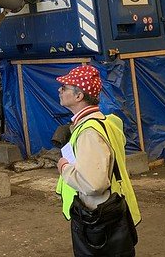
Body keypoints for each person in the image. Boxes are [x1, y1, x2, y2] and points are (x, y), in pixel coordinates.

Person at [54, 64, 140, 257]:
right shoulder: (103, 122)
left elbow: (94, 184)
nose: (60, 90)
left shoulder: (89, 132)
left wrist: (65, 167)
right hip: (112, 210)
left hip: (97, 217)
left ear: (79, 96)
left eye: (65, 87)